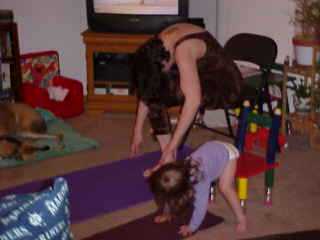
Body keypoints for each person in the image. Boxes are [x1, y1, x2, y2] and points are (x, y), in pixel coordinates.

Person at [130, 22, 244, 173]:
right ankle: (168, 159)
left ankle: (168, 156)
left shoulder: (183, 50)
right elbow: (150, 86)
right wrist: (137, 130)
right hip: (203, 76)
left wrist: (173, 145)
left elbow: (193, 102)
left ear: (163, 61)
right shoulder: (161, 42)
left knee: (164, 92)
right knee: (156, 91)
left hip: (227, 86)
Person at [148, 140, 247, 237]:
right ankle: (168, 212)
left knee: (225, 187)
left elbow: (201, 208)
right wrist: (166, 214)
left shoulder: (200, 183)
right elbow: (169, 194)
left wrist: (192, 227)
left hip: (228, 153)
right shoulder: (177, 170)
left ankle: (241, 218)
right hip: (212, 148)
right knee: (171, 191)